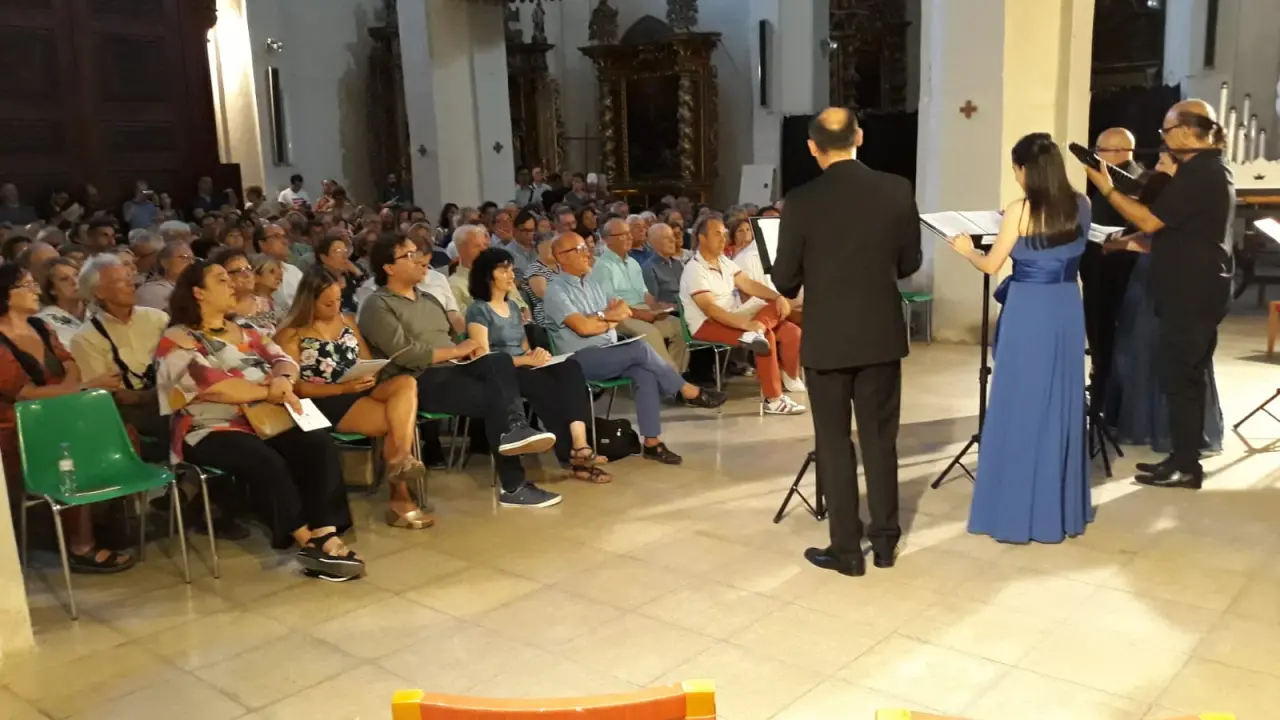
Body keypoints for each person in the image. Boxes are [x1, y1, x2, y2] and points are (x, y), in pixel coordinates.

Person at [772, 108, 922, 576]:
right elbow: (909, 262)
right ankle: (885, 543)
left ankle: (847, 551)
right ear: (859, 137)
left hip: (828, 339)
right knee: (880, 440)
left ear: (811, 147)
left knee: (834, 443)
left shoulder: (800, 201)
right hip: (879, 335)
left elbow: (785, 280)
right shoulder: (897, 189)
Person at [156, 260, 362, 580]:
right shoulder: (177, 338)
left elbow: (283, 359)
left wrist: (283, 380)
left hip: (265, 416)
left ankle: (325, 530)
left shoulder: (246, 330)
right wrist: (267, 390)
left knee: (317, 440)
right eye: (222, 280)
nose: (232, 284)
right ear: (198, 292)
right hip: (207, 428)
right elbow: (213, 386)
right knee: (264, 459)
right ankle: (306, 540)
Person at [946, 132, 1092, 544]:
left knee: (1020, 402)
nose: (1015, 176)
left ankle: (1015, 509)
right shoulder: (1081, 204)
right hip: (1066, 305)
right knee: (1059, 400)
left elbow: (991, 265)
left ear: (1026, 170)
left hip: (1029, 309)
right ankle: (1058, 509)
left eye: (1015, 169)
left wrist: (965, 250)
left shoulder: (1019, 210)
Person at [1084, 99, 1234, 490]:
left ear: (1184, 132)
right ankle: (1181, 459)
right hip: (1192, 289)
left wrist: (1106, 187)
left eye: (1166, 131)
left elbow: (1150, 221)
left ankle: (1186, 466)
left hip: (1191, 292)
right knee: (1181, 378)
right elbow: (1167, 229)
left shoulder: (1201, 173)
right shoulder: (1204, 169)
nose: (1163, 140)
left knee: (1182, 380)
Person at [357, 233, 563, 508]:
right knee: (498, 400)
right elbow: (405, 354)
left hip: (453, 370)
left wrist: (467, 351)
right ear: (389, 267)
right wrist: (457, 351)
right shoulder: (378, 304)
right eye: (409, 255)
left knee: (499, 363)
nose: (420, 260)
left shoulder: (429, 299)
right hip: (415, 381)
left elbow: (452, 339)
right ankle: (514, 482)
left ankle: (518, 433)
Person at [544, 232, 726, 465]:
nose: (586, 253)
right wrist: (606, 317)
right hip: (577, 361)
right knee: (640, 348)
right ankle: (687, 390)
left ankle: (652, 443)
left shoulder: (594, 280)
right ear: (561, 257)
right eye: (578, 249)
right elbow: (583, 328)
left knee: (645, 372)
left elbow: (623, 311)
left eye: (585, 248)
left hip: (609, 350)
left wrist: (602, 318)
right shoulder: (556, 290)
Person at [0, 264, 134, 572]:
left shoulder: (41, 327)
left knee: (124, 434)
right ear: (4, 294)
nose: (36, 290)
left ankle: (103, 520)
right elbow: (25, 393)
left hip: (59, 413)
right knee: (75, 450)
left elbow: (69, 362)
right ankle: (80, 544)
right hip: (17, 428)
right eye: (26, 285)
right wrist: (82, 388)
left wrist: (72, 389)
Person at [275, 268, 432, 529]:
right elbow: (295, 387)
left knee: (406, 382)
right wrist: (342, 388)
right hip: (326, 398)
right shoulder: (292, 334)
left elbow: (367, 359)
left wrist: (369, 373)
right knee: (396, 422)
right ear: (309, 301)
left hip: (359, 387)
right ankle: (400, 497)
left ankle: (401, 458)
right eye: (328, 303)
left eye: (339, 300)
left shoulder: (347, 321)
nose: (336, 307)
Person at [466, 248, 612, 482]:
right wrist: (525, 360)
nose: (511, 275)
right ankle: (573, 459)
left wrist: (536, 354)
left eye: (511, 269)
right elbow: (483, 356)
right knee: (544, 386)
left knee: (570, 368)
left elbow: (524, 346)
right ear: (487, 276)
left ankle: (580, 443)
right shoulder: (478, 309)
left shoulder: (514, 308)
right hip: (501, 372)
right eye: (503, 270)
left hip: (524, 364)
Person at [686, 217, 805, 414]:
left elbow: (748, 284)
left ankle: (784, 368)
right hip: (707, 323)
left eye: (725, 234)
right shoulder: (694, 269)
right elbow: (711, 309)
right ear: (702, 238)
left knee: (787, 326)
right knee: (765, 337)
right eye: (717, 234)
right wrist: (747, 325)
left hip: (734, 315)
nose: (723, 239)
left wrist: (777, 297)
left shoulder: (724, 261)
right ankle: (773, 399)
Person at [1081, 128, 1144, 411]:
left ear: (1120, 152)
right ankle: (1102, 390)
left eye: (1100, 150)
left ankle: (1107, 399)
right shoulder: (1113, 176)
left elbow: (1135, 225)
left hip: (1115, 273)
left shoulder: (1133, 182)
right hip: (1101, 269)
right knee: (1100, 336)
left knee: (1107, 337)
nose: (1095, 156)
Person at [595, 218, 687, 372]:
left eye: (628, 233)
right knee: (650, 333)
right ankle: (671, 378)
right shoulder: (603, 266)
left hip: (644, 310)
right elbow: (611, 303)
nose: (629, 237)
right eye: (623, 234)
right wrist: (642, 314)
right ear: (607, 240)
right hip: (622, 316)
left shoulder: (633, 263)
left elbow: (646, 294)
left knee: (680, 328)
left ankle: (675, 375)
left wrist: (656, 309)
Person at [34, 257, 87, 347]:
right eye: (65, 279)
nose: (75, 282)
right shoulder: (44, 321)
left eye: (76, 275)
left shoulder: (100, 308)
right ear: (51, 289)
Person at [255, 223, 303, 310]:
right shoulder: (253, 273)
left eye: (284, 236)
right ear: (262, 243)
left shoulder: (294, 271)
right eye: (277, 236)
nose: (285, 242)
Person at [136, 241, 194, 311]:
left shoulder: (194, 288)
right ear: (165, 263)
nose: (192, 263)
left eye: (193, 259)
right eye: (185, 257)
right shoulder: (151, 291)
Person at [642, 223, 685, 306]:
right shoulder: (649, 268)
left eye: (672, 236)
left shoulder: (678, 264)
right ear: (653, 242)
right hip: (671, 311)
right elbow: (654, 303)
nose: (673, 240)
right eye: (666, 238)